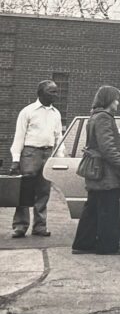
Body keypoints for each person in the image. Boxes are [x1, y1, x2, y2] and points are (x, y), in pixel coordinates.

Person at [71, 85, 120, 255]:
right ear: (108, 101)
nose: (118, 103)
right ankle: (107, 247)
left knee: (92, 209)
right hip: (106, 172)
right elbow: (108, 147)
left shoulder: (94, 117)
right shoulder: (105, 118)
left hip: (96, 170)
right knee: (108, 209)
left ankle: (82, 245)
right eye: (116, 99)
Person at [10, 80, 63, 238]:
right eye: (51, 92)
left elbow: (58, 136)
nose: (55, 95)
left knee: (43, 191)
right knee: (25, 190)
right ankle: (20, 225)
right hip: (30, 153)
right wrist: (16, 159)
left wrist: (59, 158)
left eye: (56, 91)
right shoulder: (28, 111)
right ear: (40, 93)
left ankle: (40, 226)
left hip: (48, 153)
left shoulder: (56, 113)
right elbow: (19, 136)